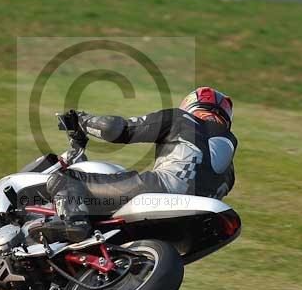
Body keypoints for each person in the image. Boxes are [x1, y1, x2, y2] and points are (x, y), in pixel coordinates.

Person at [37, 87, 237, 243]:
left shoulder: (182, 118)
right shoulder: (230, 171)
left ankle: (74, 223)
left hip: (163, 189)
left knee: (64, 179)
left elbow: (116, 129)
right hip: (193, 224)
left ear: (192, 105)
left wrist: (81, 120)